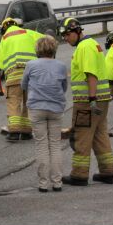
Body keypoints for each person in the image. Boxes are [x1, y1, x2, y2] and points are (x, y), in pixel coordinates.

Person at [58, 17, 113, 186]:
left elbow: (91, 74)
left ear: (76, 31)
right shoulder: (93, 44)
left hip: (88, 101)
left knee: (81, 135)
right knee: (100, 135)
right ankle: (107, 172)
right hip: (102, 100)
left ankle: (79, 175)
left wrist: (91, 98)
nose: (65, 39)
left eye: (67, 34)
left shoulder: (85, 47)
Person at [21, 36, 67, 192]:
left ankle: (43, 183)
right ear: (54, 49)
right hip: (56, 109)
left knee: (41, 145)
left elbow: (23, 85)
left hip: (36, 108)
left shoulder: (31, 65)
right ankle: (57, 182)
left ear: (37, 50)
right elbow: (64, 87)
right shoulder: (61, 66)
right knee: (55, 145)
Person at [0, 17, 45, 142]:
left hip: (14, 73)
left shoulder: (4, 38)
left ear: (4, 28)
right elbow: (46, 40)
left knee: (13, 100)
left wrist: (0, 70)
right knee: (28, 102)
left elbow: (2, 63)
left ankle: (14, 131)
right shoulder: (28, 33)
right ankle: (26, 131)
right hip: (32, 73)